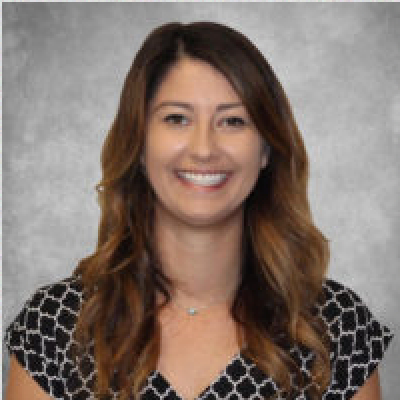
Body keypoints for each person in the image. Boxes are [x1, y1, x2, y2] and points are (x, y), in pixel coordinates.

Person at [5, 21, 393, 400]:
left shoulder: (335, 327)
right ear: (139, 144)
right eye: (177, 118)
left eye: (233, 121)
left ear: (266, 150)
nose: (204, 148)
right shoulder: (57, 325)